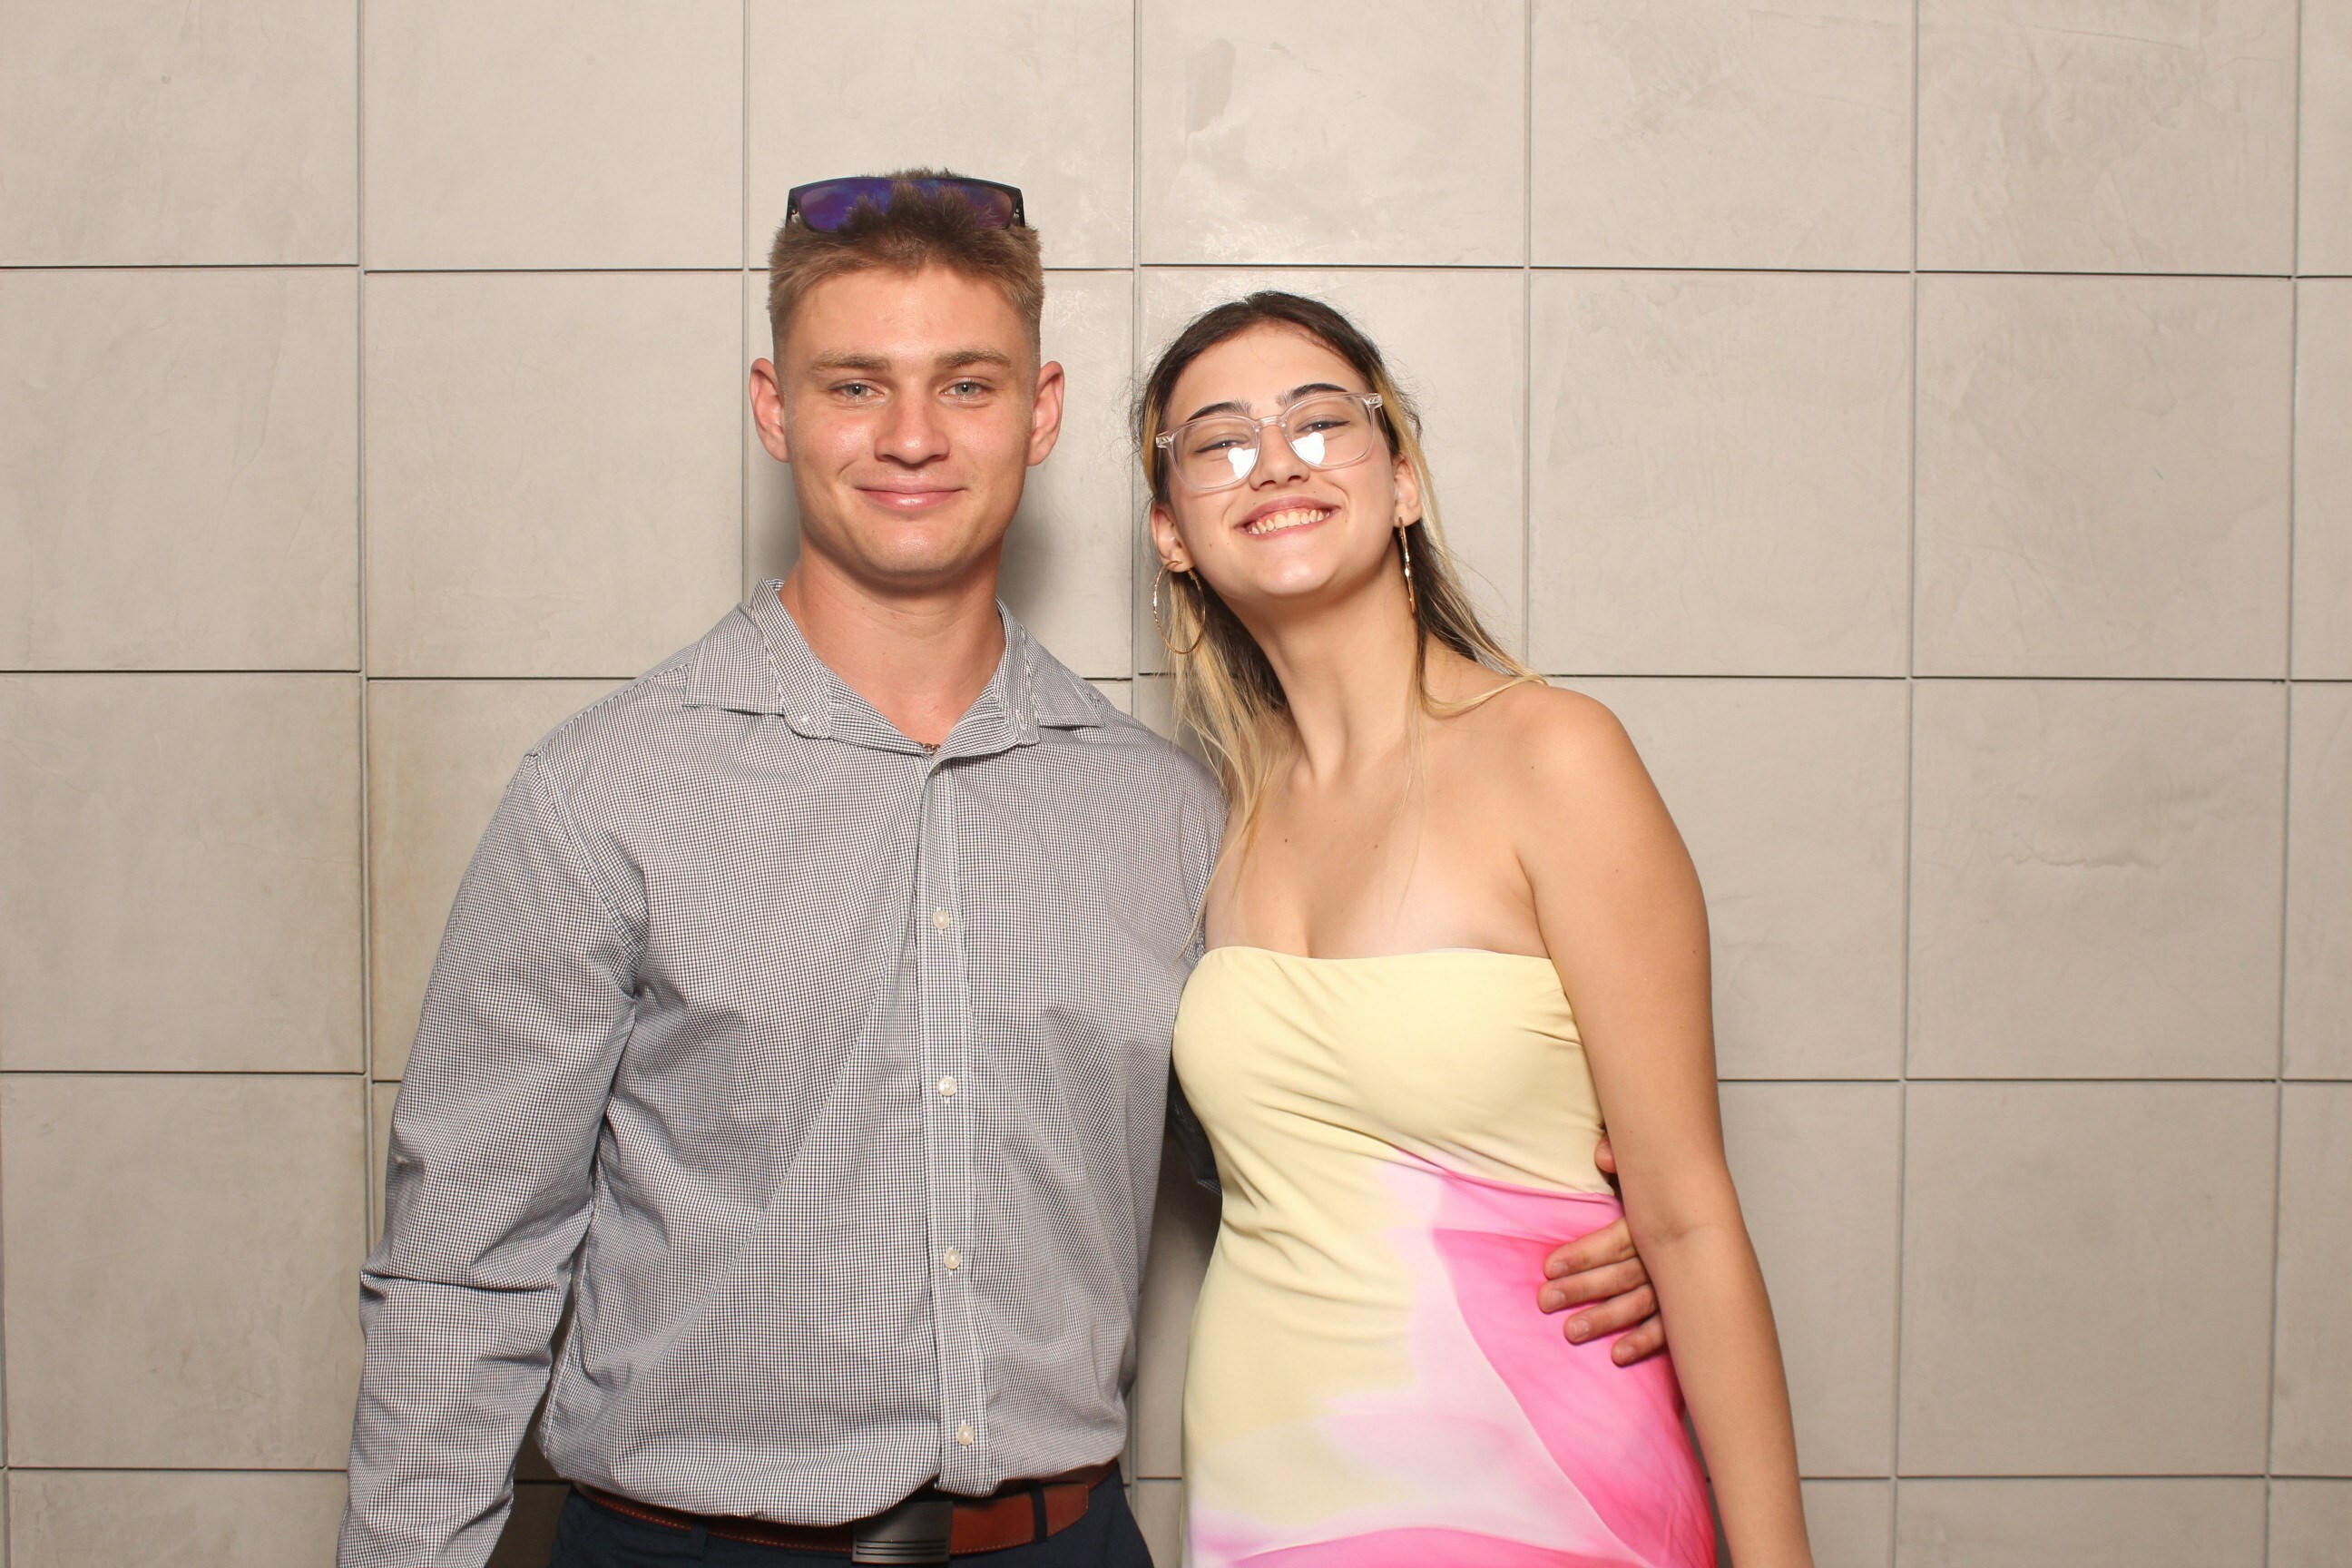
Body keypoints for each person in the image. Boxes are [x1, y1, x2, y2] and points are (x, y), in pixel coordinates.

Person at [338, 173, 1664, 1568]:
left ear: (1039, 413)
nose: (912, 436)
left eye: (966, 385)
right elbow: (458, 1271)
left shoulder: (1167, 814)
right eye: (856, 386)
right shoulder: (604, 792)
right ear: (775, 408)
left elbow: (1302, 1135)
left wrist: (1553, 1209)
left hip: (1063, 1543)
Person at [1142, 291, 1814, 1567]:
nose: (1274, 461)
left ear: (1402, 480)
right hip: (1267, 1504)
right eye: (1218, 440)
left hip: (1543, 1487)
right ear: (1173, 532)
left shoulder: (1555, 757)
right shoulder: (1217, 813)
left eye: (1320, 422)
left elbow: (1686, 1217)